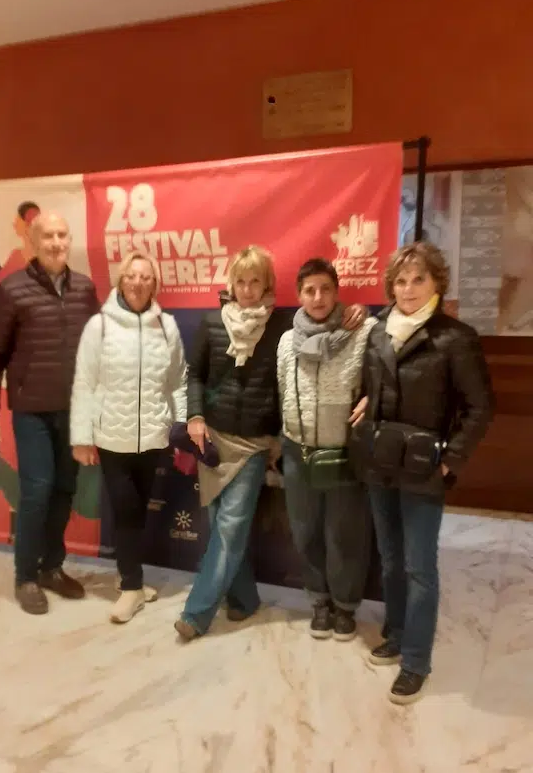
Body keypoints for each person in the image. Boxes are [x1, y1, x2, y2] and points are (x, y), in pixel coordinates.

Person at [175, 247, 366, 640]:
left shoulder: (284, 326)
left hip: (255, 444)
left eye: (255, 281)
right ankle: (244, 600)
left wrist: (358, 310)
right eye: (240, 281)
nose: (247, 290)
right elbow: (195, 374)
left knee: (229, 528)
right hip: (213, 439)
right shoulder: (212, 323)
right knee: (223, 530)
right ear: (232, 284)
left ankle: (196, 613)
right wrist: (194, 416)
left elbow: (311, 352)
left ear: (267, 285)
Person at [350, 241, 493, 704]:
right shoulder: (376, 331)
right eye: (400, 280)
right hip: (379, 462)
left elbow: (480, 406)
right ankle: (395, 632)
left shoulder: (455, 336)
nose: (408, 289)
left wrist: (453, 458)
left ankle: (415, 660)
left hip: (424, 467)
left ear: (437, 283)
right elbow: (374, 384)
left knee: (419, 567)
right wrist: (368, 399)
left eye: (418, 279)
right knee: (390, 560)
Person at [0, 212, 99, 615]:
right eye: (47, 236)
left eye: (62, 235)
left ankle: (52, 567)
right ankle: (25, 576)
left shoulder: (84, 288)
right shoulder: (12, 289)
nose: (55, 242)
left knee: (65, 489)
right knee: (36, 491)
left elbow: (97, 348)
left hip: (75, 411)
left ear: (70, 241)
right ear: (33, 242)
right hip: (31, 410)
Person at [70, 250, 187, 624]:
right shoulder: (99, 326)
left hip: (153, 437)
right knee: (125, 511)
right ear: (121, 281)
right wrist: (81, 437)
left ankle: (130, 577)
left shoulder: (167, 326)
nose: (139, 283)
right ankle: (132, 587)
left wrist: (180, 425)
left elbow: (178, 381)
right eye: (132, 276)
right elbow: (84, 384)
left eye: (146, 277)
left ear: (155, 284)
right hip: (112, 440)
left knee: (137, 512)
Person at [277, 258, 376, 642]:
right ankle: (318, 601)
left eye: (325, 289)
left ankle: (346, 606)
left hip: (343, 452)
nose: (318, 298)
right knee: (305, 532)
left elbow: (382, 379)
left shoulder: (362, 331)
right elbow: (283, 388)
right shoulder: (287, 341)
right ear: (299, 295)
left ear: (337, 292)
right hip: (296, 451)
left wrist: (371, 400)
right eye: (309, 290)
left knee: (344, 534)